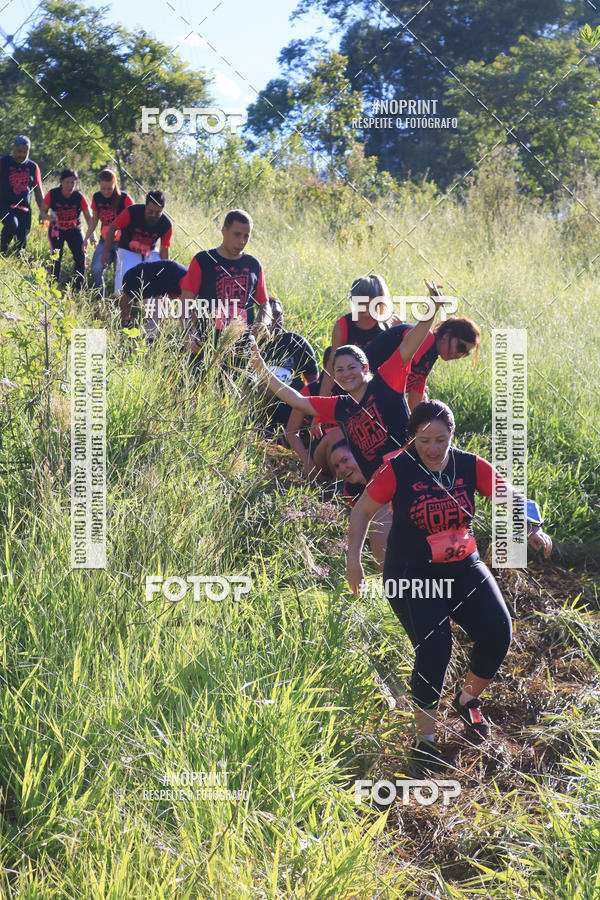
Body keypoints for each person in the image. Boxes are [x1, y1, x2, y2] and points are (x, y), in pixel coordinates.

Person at [345, 399, 553, 775]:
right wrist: (354, 562)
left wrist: (532, 528)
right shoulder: (397, 469)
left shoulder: (469, 465)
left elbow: (509, 495)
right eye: (424, 441)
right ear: (412, 438)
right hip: (411, 574)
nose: (433, 449)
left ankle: (466, 699)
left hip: (462, 567)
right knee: (435, 646)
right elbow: (362, 511)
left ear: (452, 435)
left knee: (498, 631)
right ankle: (425, 741)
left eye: (441, 440)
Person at [250, 289, 444, 482]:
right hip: (377, 483)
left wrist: (432, 309)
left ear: (365, 367)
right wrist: (262, 369)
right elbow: (297, 400)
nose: (346, 374)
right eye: (339, 370)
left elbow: (409, 345)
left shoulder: (386, 381)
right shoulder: (341, 405)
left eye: (351, 367)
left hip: (409, 469)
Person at [180, 209, 271, 356]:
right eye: (237, 234)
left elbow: (264, 304)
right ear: (224, 231)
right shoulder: (203, 260)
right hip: (205, 345)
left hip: (243, 348)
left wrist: (263, 323)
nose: (241, 241)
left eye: (246, 236)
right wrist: (187, 332)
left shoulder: (253, 264)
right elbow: (185, 302)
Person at [365, 315, 481, 410]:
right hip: (360, 388)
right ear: (446, 334)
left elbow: (415, 404)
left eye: (465, 353)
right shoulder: (426, 338)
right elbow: (393, 386)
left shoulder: (431, 356)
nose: (459, 355)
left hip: (369, 395)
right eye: (461, 347)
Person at [319, 274, 397, 396]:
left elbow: (401, 368)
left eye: (371, 307)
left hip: (378, 391)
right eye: (361, 307)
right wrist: (322, 402)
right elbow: (332, 368)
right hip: (347, 389)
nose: (366, 314)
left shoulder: (390, 326)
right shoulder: (343, 326)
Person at [329, 438, 390, 567]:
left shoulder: (383, 470)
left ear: (358, 455)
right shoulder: (350, 489)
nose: (342, 469)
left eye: (345, 460)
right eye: (337, 466)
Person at [259, 297, 319, 429]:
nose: (273, 319)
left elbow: (314, 383)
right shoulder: (253, 343)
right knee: (266, 389)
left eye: (277, 314)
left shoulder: (297, 342)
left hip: (293, 401)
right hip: (261, 404)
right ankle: (262, 433)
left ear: (283, 316)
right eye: (268, 315)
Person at [284, 346, 343, 479]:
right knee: (336, 436)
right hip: (322, 451)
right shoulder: (311, 390)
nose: (342, 372)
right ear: (326, 367)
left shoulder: (355, 390)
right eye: (335, 366)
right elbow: (291, 432)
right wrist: (308, 462)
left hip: (352, 451)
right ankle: (338, 485)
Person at [102, 190, 172, 292]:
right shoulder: (132, 212)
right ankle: (123, 300)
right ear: (145, 206)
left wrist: (166, 269)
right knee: (123, 284)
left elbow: (164, 249)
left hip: (149, 251)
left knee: (158, 279)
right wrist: (105, 252)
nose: (153, 215)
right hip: (127, 249)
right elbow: (113, 228)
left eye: (158, 213)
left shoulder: (166, 224)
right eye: (150, 211)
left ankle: (148, 299)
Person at [39, 169, 92, 291]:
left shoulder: (79, 197)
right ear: (61, 182)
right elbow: (42, 213)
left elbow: (89, 218)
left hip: (74, 231)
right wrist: (51, 218)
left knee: (81, 256)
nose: (70, 185)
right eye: (67, 182)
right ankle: (52, 286)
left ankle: (77, 288)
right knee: (56, 257)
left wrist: (91, 236)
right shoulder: (53, 194)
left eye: (73, 182)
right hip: (57, 231)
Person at [84, 169, 134, 297]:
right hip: (105, 241)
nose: (106, 192)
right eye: (103, 188)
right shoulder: (97, 197)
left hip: (122, 244)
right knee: (96, 269)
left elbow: (135, 218)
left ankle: (120, 303)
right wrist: (86, 238)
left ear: (115, 184)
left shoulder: (124, 198)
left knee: (120, 273)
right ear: (99, 184)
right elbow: (94, 219)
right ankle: (100, 300)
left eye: (109, 188)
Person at [119, 259, 188, 341]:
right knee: (155, 311)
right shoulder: (188, 281)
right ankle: (149, 342)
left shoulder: (187, 276)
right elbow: (185, 310)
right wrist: (187, 333)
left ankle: (156, 337)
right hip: (138, 277)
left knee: (166, 305)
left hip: (143, 279)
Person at [0, 135, 43, 253]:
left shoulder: (33, 167)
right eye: (19, 151)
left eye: (25, 152)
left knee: (22, 241)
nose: (22, 155)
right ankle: (2, 251)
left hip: (24, 209)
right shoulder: (3, 162)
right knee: (11, 224)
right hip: (4, 205)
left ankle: (15, 258)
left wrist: (43, 211)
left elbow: (38, 191)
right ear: (13, 148)